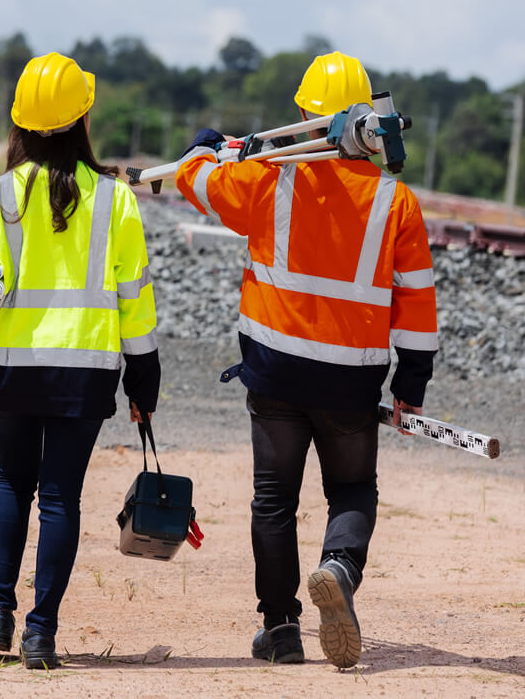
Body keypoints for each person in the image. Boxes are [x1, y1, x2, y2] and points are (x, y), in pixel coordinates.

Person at [173, 51, 438, 668]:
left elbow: (199, 183)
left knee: (273, 499)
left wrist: (204, 147)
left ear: (301, 113)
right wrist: (413, 382)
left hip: (276, 369)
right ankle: (339, 568)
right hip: (351, 378)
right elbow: (418, 305)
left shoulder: (269, 178)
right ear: (370, 122)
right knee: (351, 488)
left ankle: (282, 629)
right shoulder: (397, 203)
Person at [0, 52, 160, 670]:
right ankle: (41, 633)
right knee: (61, 497)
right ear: (82, 117)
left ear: (19, 123)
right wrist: (145, 370)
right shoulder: (116, 202)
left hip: (10, 364)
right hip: (84, 371)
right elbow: (134, 299)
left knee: (13, 481)